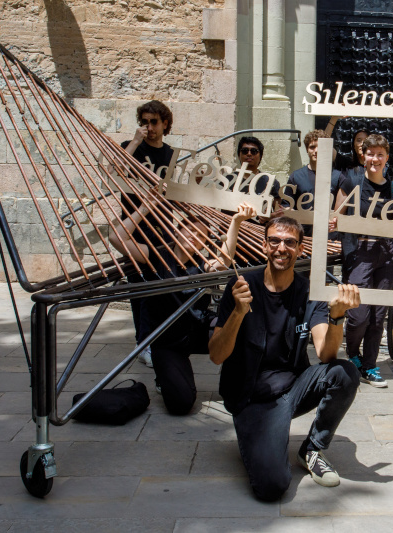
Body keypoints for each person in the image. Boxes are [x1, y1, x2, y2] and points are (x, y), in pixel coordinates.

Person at [208, 216, 361, 501]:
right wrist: (239, 313)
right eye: (275, 241)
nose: (282, 248)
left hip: (293, 389)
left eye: (290, 242)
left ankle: (312, 449)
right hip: (251, 398)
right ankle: (261, 438)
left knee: (345, 372)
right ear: (264, 245)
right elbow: (217, 355)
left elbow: (326, 354)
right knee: (271, 487)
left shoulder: (308, 292)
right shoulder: (241, 286)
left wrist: (337, 316)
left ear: (300, 249)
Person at [108, 198, 257, 415]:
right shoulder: (155, 256)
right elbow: (116, 237)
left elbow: (224, 261)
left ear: (204, 243)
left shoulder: (202, 263)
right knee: (180, 405)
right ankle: (166, 376)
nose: (193, 237)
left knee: (240, 331)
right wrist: (143, 208)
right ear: (178, 232)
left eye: (200, 236)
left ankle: (235, 386)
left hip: (197, 330)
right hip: (167, 341)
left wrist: (236, 222)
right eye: (189, 230)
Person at [331, 134, 393, 387]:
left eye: (380, 154)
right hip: (360, 253)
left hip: (386, 256)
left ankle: (370, 365)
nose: (375, 159)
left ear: (387, 157)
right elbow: (336, 217)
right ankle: (353, 354)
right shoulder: (350, 183)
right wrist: (333, 223)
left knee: (377, 316)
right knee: (358, 314)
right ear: (363, 157)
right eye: (370, 153)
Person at [120, 100, 176, 368]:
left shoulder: (171, 154)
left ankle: (152, 340)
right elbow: (111, 172)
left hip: (160, 228)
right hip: (133, 226)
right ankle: (143, 343)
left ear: (165, 123)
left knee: (157, 287)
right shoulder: (130, 149)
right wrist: (133, 142)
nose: (149, 127)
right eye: (144, 122)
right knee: (138, 286)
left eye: (154, 122)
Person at [286, 130, 342, 237]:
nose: (316, 150)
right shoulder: (296, 176)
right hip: (303, 237)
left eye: (321, 146)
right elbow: (286, 205)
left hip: (331, 238)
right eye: (312, 147)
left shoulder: (338, 177)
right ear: (307, 150)